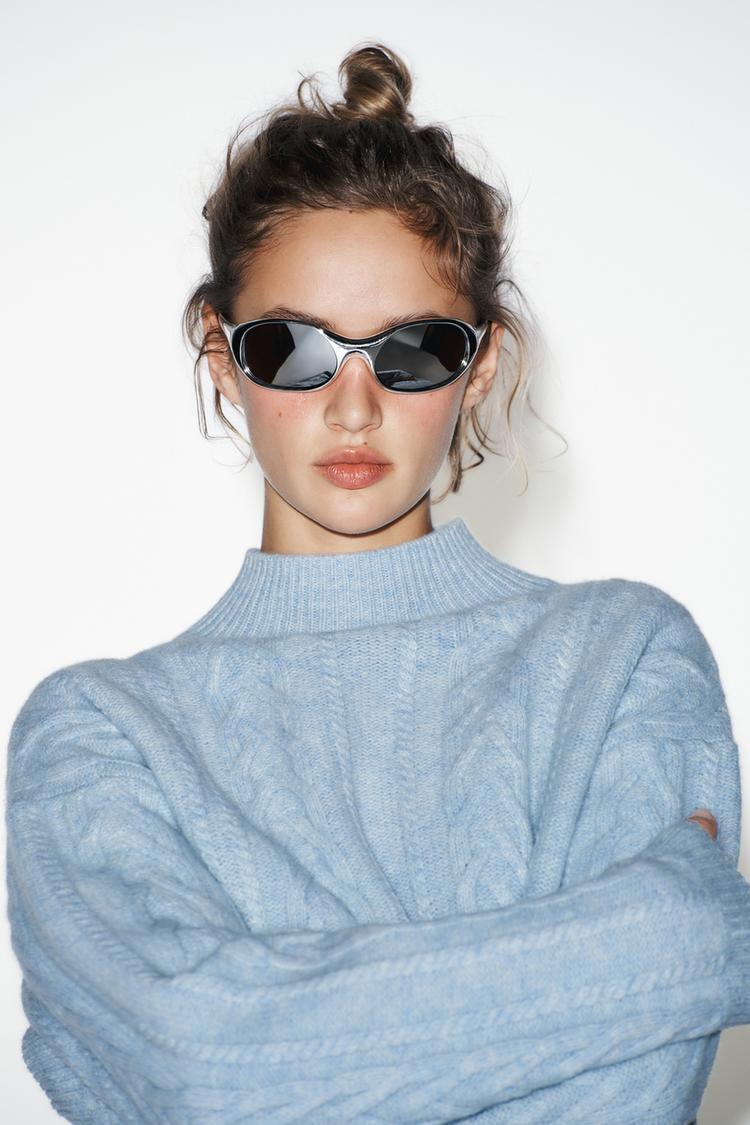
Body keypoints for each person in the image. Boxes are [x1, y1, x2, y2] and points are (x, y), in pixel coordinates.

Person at [5, 40, 749, 1125]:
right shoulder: (100, 730)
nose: (353, 407)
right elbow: (204, 1061)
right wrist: (668, 938)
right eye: (292, 350)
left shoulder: (620, 658)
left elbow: (623, 1102)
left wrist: (268, 1043)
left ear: (479, 365)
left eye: (413, 351)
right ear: (221, 355)